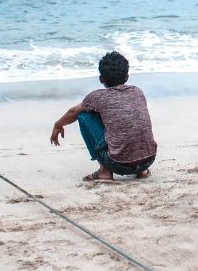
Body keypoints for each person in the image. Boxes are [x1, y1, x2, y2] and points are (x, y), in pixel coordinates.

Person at [49, 52, 156, 182]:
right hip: (149, 159)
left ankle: (104, 171)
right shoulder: (137, 91)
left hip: (119, 164)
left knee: (83, 115)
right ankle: (142, 171)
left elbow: (73, 112)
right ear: (127, 77)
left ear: (101, 79)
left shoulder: (97, 97)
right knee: (126, 119)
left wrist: (58, 125)